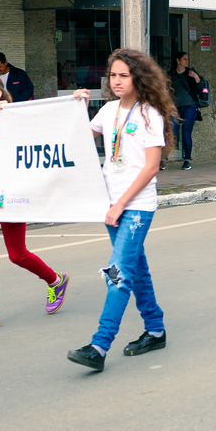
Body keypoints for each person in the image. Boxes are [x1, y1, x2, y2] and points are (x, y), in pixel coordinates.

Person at [68, 48, 178, 373]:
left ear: (138, 78)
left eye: (123, 75)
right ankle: (155, 330)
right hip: (111, 204)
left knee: (118, 273)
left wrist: (120, 205)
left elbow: (151, 167)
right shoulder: (108, 110)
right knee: (135, 269)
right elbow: (79, 140)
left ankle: (99, 346)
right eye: (112, 75)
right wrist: (77, 107)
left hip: (135, 207)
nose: (116, 81)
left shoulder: (149, 115)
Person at [0, 72, 69, 335]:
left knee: (17, 254)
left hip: (11, 199)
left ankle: (55, 280)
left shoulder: (13, 122)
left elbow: (42, 127)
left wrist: (10, 111)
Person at [168, 52, 201, 170]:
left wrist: (196, 77)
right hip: (175, 108)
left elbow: (201, 88)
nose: (186, 61)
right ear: (178, 60)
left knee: (186, 134)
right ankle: (164, 158)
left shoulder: (190, 73)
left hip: (189, 107)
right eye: (184, 59)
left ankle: (187, 159)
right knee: (172, 133)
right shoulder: (171, 75)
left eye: (187, 59)